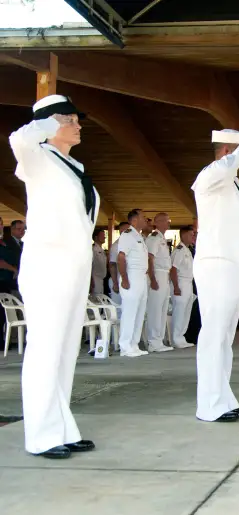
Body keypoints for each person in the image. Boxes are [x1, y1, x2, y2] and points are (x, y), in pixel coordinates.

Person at [9, 94, 99, 459]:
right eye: (71, 119)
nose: (78, 126)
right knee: (45, 350)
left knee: (64, 352)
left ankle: (60, 427)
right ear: (50, 122)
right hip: (48, 265)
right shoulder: (38, 159)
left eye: (78, 120)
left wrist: (60, 119)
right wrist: (49, 121)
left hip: (74, 266)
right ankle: (42, 435)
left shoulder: (72, 164)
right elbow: (19, 139)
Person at [192, 129, 239, 423]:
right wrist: (237, 151)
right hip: (216, 263)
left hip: (233, 264)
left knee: (225, 337)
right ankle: (209, 404)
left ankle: (223, 398)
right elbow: (223, 166)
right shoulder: (210, 176)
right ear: (228, 150)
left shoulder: (234, 181)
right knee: (214, 335)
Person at [116, 209, 150, 357]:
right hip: (131, 276)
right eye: (143, 217)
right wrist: (124, 278)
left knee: (140, 312)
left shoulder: (139, 236)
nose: (146, 219)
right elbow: (121, 258)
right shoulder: (128, 235)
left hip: (141, 277)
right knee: (130, 312)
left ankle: (134, 344)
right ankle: (125, 346)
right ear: (135, 220)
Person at [144, 212, 174, 352]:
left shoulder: (161, 238)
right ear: (158, 222)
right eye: (166, 221)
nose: (169, 223)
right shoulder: (154, 238)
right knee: (155, 309)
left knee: (162, 309)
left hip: (164, 275)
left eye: (169, 221)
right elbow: (150, 258)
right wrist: (153, 278)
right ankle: (153, 341)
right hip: (157, 275)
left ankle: (159, 340)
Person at [169, 225, 196, 349]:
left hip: (188, 283)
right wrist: (176, 286)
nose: (193, 237)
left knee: (186, 312)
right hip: (180, 283)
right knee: (179, 312)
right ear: (184, 235)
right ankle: (176, 338)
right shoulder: (179, 250)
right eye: (191, 234)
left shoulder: (187, 250)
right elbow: (173, 269)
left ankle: (181, 336)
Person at [107, 221, 130, 307]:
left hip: (126, 281)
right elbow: (112, 265)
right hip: (117, 280)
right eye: (128, 230)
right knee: (117, 308)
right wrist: (115, 284)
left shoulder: (129, 244)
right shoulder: (116, 246)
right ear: (122, 231)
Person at [90, 228, 106, 295]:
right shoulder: (93, 250)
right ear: (96, 237)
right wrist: (91, 280)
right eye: (102, 235)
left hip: (101, 279)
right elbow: (89, 266)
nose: (104, 237)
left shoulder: (102, 250)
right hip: (95, 279)